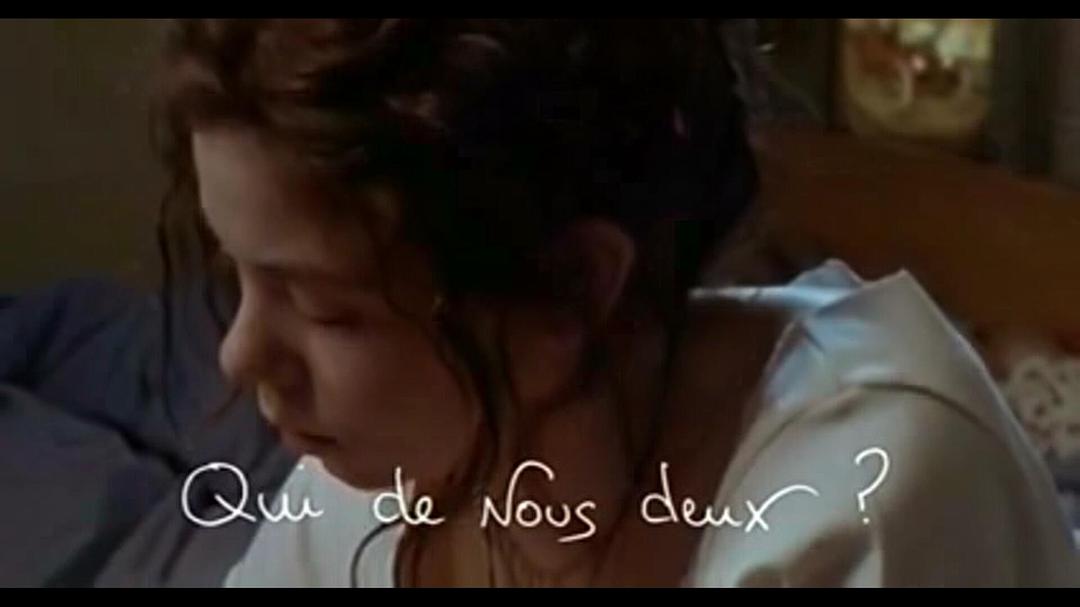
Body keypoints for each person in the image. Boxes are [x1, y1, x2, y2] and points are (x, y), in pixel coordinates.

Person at [157, 18, 1078, 587]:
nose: (240, 355)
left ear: (573, 286)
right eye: (237, 275)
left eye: (326, 307)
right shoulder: (380, 476)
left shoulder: (864, 496)